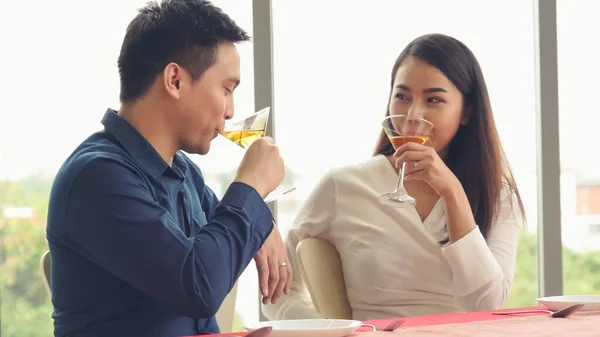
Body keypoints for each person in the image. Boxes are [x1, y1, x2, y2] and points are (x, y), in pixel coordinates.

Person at [46, 1, 292, 336]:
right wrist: (250, 187)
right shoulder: (97, 177)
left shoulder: (184, 173)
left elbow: (219, 245)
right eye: (226, 89)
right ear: (175, 80)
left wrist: (261, 222)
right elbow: (200, 286)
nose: (231, 111)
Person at [262, 33, 525, 321]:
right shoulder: (344, 186)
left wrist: (452, 192)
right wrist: (333, 331)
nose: (413, 115)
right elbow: (277, 292)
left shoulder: (497, 194)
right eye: (402, 96)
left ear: (467, 112)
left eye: (434, 99)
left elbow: (486, 303)